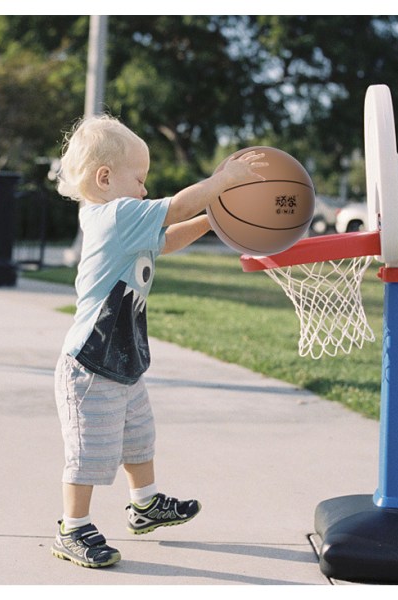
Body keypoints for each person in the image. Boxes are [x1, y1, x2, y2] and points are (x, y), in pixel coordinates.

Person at [51, 114, 267, 568]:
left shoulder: (125, 222)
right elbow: (174, 209)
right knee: (89, 449)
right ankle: (72, 528)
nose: (146, 189)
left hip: (121, 359)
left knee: (138, 438)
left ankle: (145, 504)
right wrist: (221, 181)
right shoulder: (113, 215)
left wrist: (210, 220)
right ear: (105, 178)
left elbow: (166, 239)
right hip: (89, 365)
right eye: (141, 179)